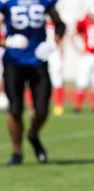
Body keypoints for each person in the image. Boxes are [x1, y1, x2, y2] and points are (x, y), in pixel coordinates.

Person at [1, 0, 65, 166]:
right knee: (15, 110)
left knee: (42, 110)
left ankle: (33, 134)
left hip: (38, 61)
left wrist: (53, 43)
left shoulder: (44, 1)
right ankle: (17, 151)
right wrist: (6, 42)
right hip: (13, 62)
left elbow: (60, 24)